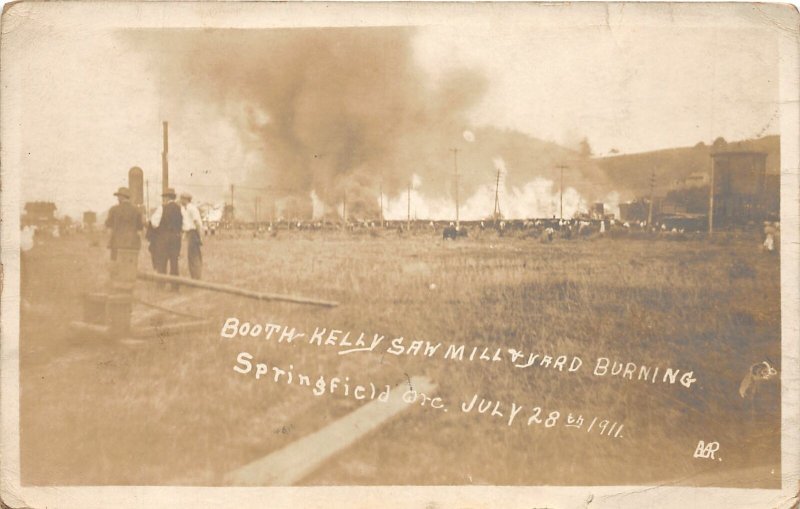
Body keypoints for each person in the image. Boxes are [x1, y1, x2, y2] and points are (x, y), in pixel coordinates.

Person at [150, 188, 183, 290]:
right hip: (176, 238)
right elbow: (184, 224)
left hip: (163, 238)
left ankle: (161, 285)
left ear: (167, 197)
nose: (163, 199)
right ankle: (175, 286)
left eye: (164, 197)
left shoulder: (162, 208)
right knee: (174, 262)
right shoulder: (180, 208)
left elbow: (154, 223)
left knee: (162, 261)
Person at [105, 187, 142, 261]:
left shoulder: (114, 209)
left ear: (121, 197)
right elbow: (139, 230)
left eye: (118, 197)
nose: (117, 199)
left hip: (116, 244)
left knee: (116, 266)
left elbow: (108, 226)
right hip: (132, 244)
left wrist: (110, 240)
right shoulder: (136, 210)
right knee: (130, 266)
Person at [180, 191, 204, 279]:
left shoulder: (192, 208)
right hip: (189, 233)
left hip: (194, 233)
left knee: (194, 256)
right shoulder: (184, 209)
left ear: (187, 200)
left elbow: (197, 223)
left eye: (182, 199)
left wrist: (200, 236)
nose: (181, 200)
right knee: (191, 256)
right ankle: (194, 277)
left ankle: (196, 277)